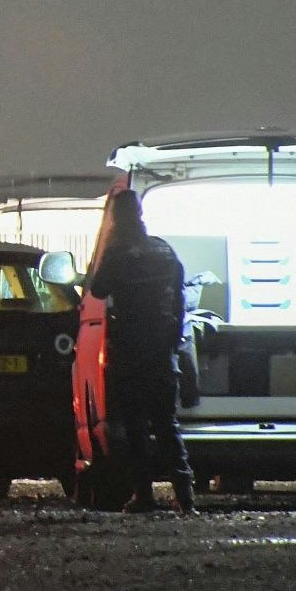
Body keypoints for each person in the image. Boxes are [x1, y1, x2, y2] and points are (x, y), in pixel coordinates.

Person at [88, 188, 196, 515]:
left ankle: (144, 495)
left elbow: (98, 288)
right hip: (162, 351)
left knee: (135, 426)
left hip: (130, 350)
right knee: (166, 424)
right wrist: (174, 339)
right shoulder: (164, 250)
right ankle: (185, 496)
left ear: (116, 218)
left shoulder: (118, 253)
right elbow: (180, 299)